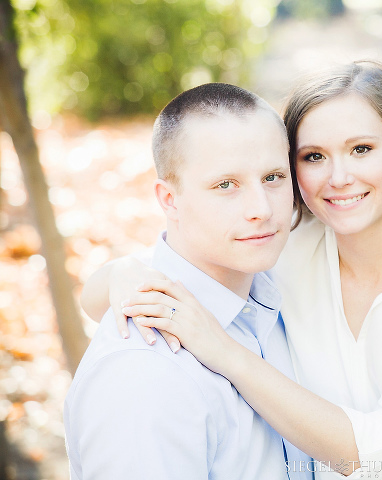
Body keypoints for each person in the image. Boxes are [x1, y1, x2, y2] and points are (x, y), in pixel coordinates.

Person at [82, 61, 382, 480]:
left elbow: (379, 457)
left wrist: (222, 350)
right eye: (314, 156)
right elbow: (112, 288)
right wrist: (126, 274)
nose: (339, 177)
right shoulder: (284, 246)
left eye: (361, 148)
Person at [64, 83, 312, 480]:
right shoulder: (145, 374)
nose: (262, 209)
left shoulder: (277, 289)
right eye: (225, 185)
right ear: (169, 199)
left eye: (273, 177)